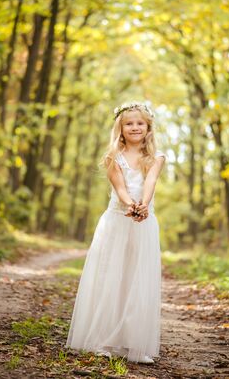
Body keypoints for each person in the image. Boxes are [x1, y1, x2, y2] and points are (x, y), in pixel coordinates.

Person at [66, 102, 166, 364]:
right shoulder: (113, 155)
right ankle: (103, 340)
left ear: (148, 128)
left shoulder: (157, 157)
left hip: (144, 223)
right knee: (112, 277)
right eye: (129, 123)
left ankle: (135, 344)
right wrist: (130, 204)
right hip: (116, 221)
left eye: (140, 123)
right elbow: (120, 187)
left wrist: (143, 206)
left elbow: (151, 182)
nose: (135, 127)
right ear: (120, 129)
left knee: (137, 279)